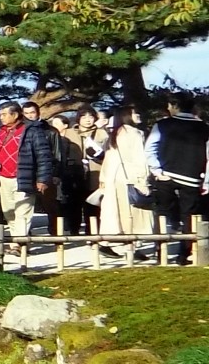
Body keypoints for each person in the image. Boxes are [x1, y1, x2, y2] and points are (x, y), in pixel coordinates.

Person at [147, 94, 209, 264]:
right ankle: (184, 254)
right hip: (192, 177)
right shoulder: (204, 128)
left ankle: (161, 251)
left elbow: (150, 148)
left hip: (166, 175)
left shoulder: (163, 125)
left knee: (163, 214)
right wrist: (207, 181)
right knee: (189, 216)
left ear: (174, 105)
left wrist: (156, 170)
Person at [0, 100, 55, 254]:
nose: (2, 117)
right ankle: (16, 241)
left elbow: (44, 156)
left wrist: (42, 179)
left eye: (5, 114)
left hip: (24, 176)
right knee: (9, 211)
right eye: (1, 114)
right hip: (3, 177)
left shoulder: (32, 130)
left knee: (23, 211)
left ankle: (18, 244)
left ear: (16, 114)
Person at [96, 107, 154, 253]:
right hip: (130, 177)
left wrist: (103, 178)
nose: (138, 115)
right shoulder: (135, 133)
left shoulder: (116, 133)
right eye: (134, 113)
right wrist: (142, 180)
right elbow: (140, 158)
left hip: (114, 178)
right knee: (132, 212)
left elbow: (108, 158)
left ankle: (115, 243)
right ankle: (131, 246)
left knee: (117, 212)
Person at [49, 114, 88, 236]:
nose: (54, 126)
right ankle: (55, 229)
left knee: (72, 202)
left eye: (57, 124)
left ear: (65, 125)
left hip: (71, 175)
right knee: (54, 203)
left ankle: (73, 228)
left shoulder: (71, 142)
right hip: (54, 174)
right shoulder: (49, 139)